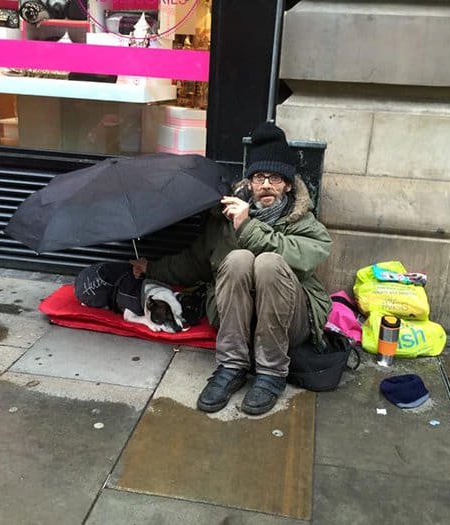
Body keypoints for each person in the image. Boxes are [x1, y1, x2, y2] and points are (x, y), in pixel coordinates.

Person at [130, 121, 332, 415]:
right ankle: (232, 365)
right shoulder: (225, 218)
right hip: (234, 320)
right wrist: (152, 268)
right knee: (237, 259)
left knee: (269, 262)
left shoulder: (304, 223)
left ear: (288, 185)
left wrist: (248, 227)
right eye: (259, 177)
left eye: (275, 178)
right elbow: (193, 263)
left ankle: (272, 373)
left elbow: (305, 258)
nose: (265, 185)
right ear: (248, 182)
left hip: (290, 322)